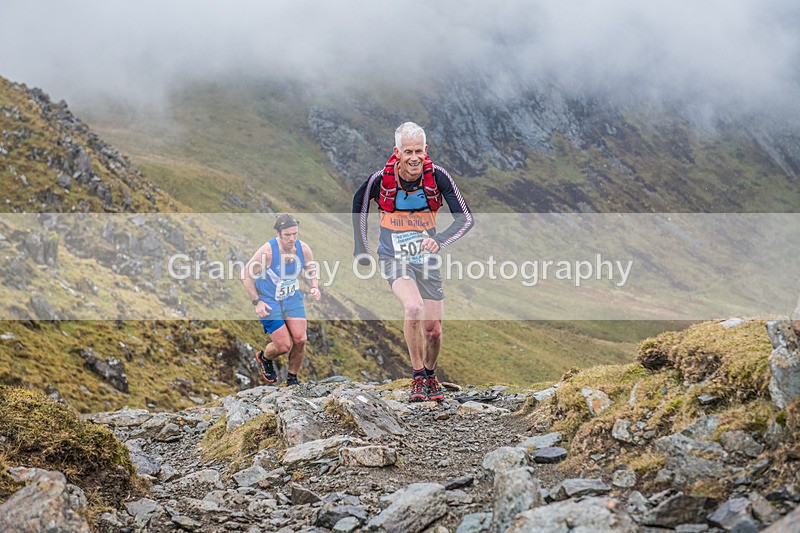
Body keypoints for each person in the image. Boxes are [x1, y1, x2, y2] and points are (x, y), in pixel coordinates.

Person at [352, 122, 474, 402]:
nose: (414, 157)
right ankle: (418, 375)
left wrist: (440, 240)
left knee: (434, 330)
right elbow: (359, 202)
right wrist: (362, 249)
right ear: (397, 152)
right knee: (413, 306)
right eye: (408, 152)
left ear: (426, 150)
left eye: (419, 151)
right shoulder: (380, 179)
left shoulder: (438, 177)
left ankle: (431, 375)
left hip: (426, 259)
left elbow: (466, 218)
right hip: (394, 256)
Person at [242, 213, 320, 385]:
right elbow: (246, 276)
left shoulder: (303, 249)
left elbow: (310, 268)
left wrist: (314, 285)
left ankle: (292, 379)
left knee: (300, 339)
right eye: (287, 235)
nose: (292, 239)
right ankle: (264, 357)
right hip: (269, 299)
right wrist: (257, 302)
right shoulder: (267, 252)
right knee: (283, 346)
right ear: (278, 233)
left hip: (291, 297)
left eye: (295, 234)